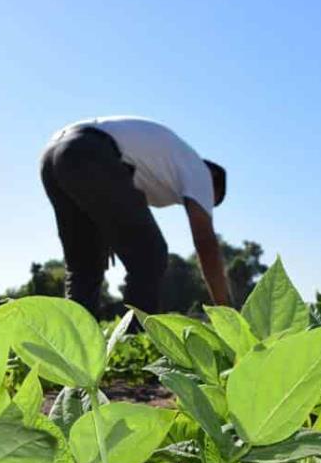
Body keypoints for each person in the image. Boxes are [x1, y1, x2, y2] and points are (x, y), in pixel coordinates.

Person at [39, 116, 230, 317]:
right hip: (91, 150)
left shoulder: (167, 165)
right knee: (150, 255)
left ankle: (72, 343)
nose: (205, 205)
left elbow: (114, 203)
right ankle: (134, 339)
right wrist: (226, 312)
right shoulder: (201, 172)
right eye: (210, 201)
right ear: (214, 180)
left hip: (53, 155)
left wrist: (106, 231)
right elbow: (205, 242)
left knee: (85, 266)